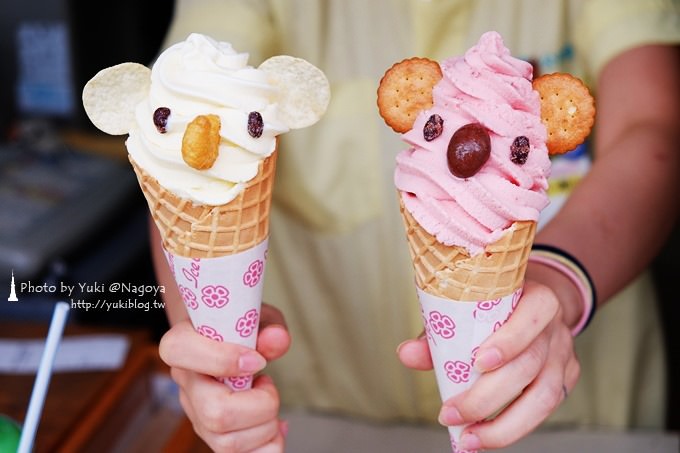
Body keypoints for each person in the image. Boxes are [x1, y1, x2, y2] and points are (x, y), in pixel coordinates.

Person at [153, 0, 680, 451]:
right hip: (323, 423)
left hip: (578, 422)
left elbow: (654, 128)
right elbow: (182, 144)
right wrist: (207, 346)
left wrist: (561, 281)